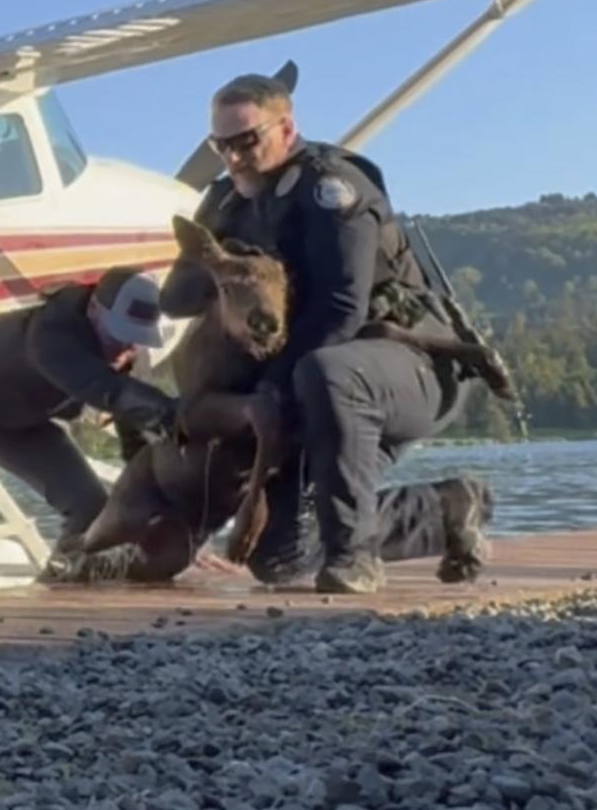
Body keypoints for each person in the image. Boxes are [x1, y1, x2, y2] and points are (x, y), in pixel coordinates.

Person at [179, 64, 492, 594]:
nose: (233, 157)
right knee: (280, 555)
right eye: (220, 145)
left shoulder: (332, 189)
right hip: (316, 383)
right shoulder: (229, 200)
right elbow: (177, 297)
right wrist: (212, 258)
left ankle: (353, 558)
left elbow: (341, 311)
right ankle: (446, 508)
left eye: (247, 141)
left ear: (287, 130)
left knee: (329, 368)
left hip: (406, 364)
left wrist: (270, 390)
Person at [0, 266, 181, 594]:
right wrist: (179, 414)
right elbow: (108, 391)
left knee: (90, 504)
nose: (127, 348)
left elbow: (137, 437)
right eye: (119, 335)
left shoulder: (129, 352)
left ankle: (53, 590)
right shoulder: (51, 333)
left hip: (14, 417)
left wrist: (164, 518)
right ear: (93, 310)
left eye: (137, 339)